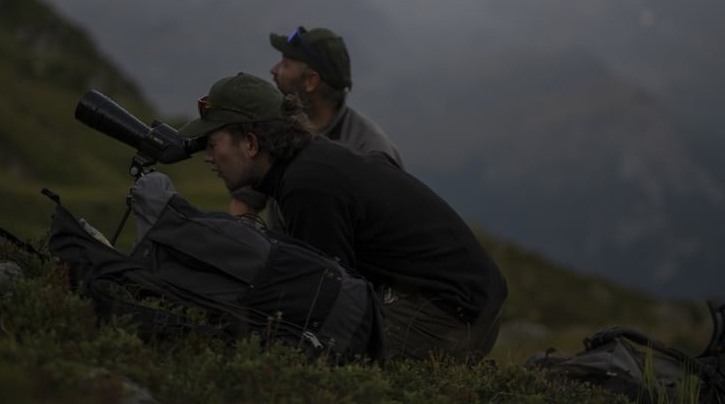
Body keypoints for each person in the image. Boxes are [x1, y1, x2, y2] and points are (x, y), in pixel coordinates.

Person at [179, 72, 508, 363]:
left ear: (250, 144)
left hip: (453, 317)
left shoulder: (307, 188)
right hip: (473, 302)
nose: (208, 157)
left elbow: (327, 300)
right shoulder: (312, 162)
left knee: (318, 353)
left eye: (212, 143)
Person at [268, 25, 403, 169]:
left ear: (311, 81)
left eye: (286, 65)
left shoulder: (369, 150)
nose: (274, 70)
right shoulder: (275, 127)